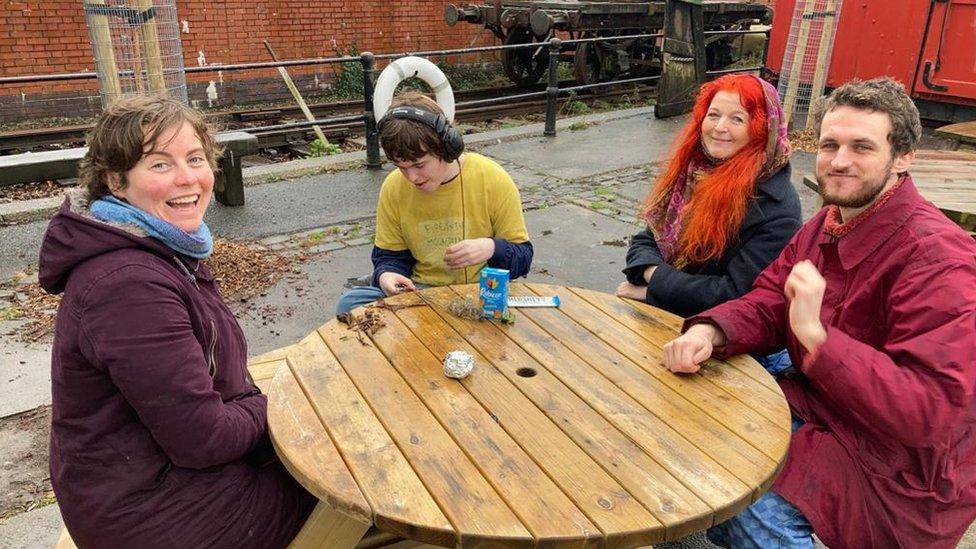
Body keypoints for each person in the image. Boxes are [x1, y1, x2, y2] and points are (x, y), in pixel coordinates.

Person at [663, 77, 976, 548]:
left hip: (901, 469)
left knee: (749, 505)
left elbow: (928, 415)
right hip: (823, 414)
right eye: (830, 144)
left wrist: (818, 339)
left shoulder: (940, 261)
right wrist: (714, 329)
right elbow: (771, 297)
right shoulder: (829, 222)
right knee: (694, 444)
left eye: (862, 147)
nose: (840, 161)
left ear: (904, 157)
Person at [39, 96, 316, 548]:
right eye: (160, 164)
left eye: (195, 158)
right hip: (153, 514)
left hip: (148, 482)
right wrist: (284, 407)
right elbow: (204, 440)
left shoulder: (163, 248)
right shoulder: (127, 284)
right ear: (116, 180)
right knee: (356, 487)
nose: (188, 178)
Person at [617, 73, 801, 320]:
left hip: (717, 337)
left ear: (761, 129)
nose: (719, 127)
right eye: (713, 115)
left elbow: (735, 293)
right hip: (663, 315)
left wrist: (653, 289)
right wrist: (651, 273)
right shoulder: (695, 172)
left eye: (737, 119)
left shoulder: (777, 209)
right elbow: (647, 239)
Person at [336, 91, 533, 314]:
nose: (412, 177)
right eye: (401, 167)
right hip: (419, 291)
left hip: (482, 292)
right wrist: (386, 275)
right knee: (349, 304)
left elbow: (522, 258)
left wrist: (492, 248)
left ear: (447, 147)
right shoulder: (393, 187)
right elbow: (390, 257)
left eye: (419, 165)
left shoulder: (492, 178)